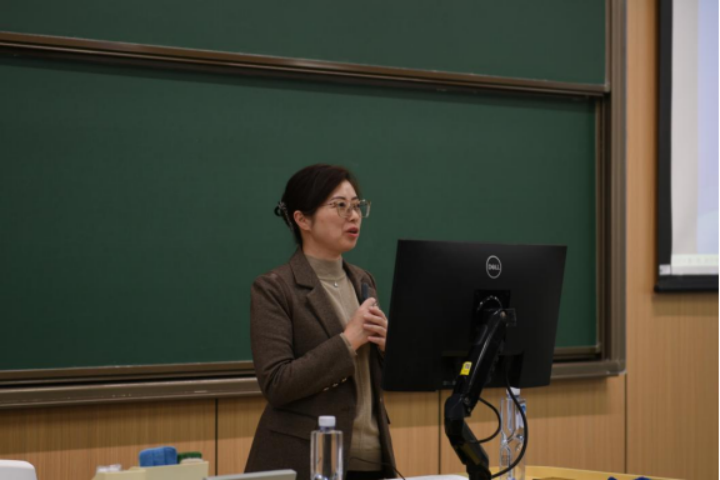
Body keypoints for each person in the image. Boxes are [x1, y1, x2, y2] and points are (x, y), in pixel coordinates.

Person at [245, 164, 397, 480]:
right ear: (303, 219)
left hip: (374, 459)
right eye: (340, 205)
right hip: (307, 460)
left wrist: (388, 349)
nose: (354, 216)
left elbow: (370, 378)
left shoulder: (363, 280)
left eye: (357, 205)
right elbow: (277, 384)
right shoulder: (275, 288)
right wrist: (347, 341)